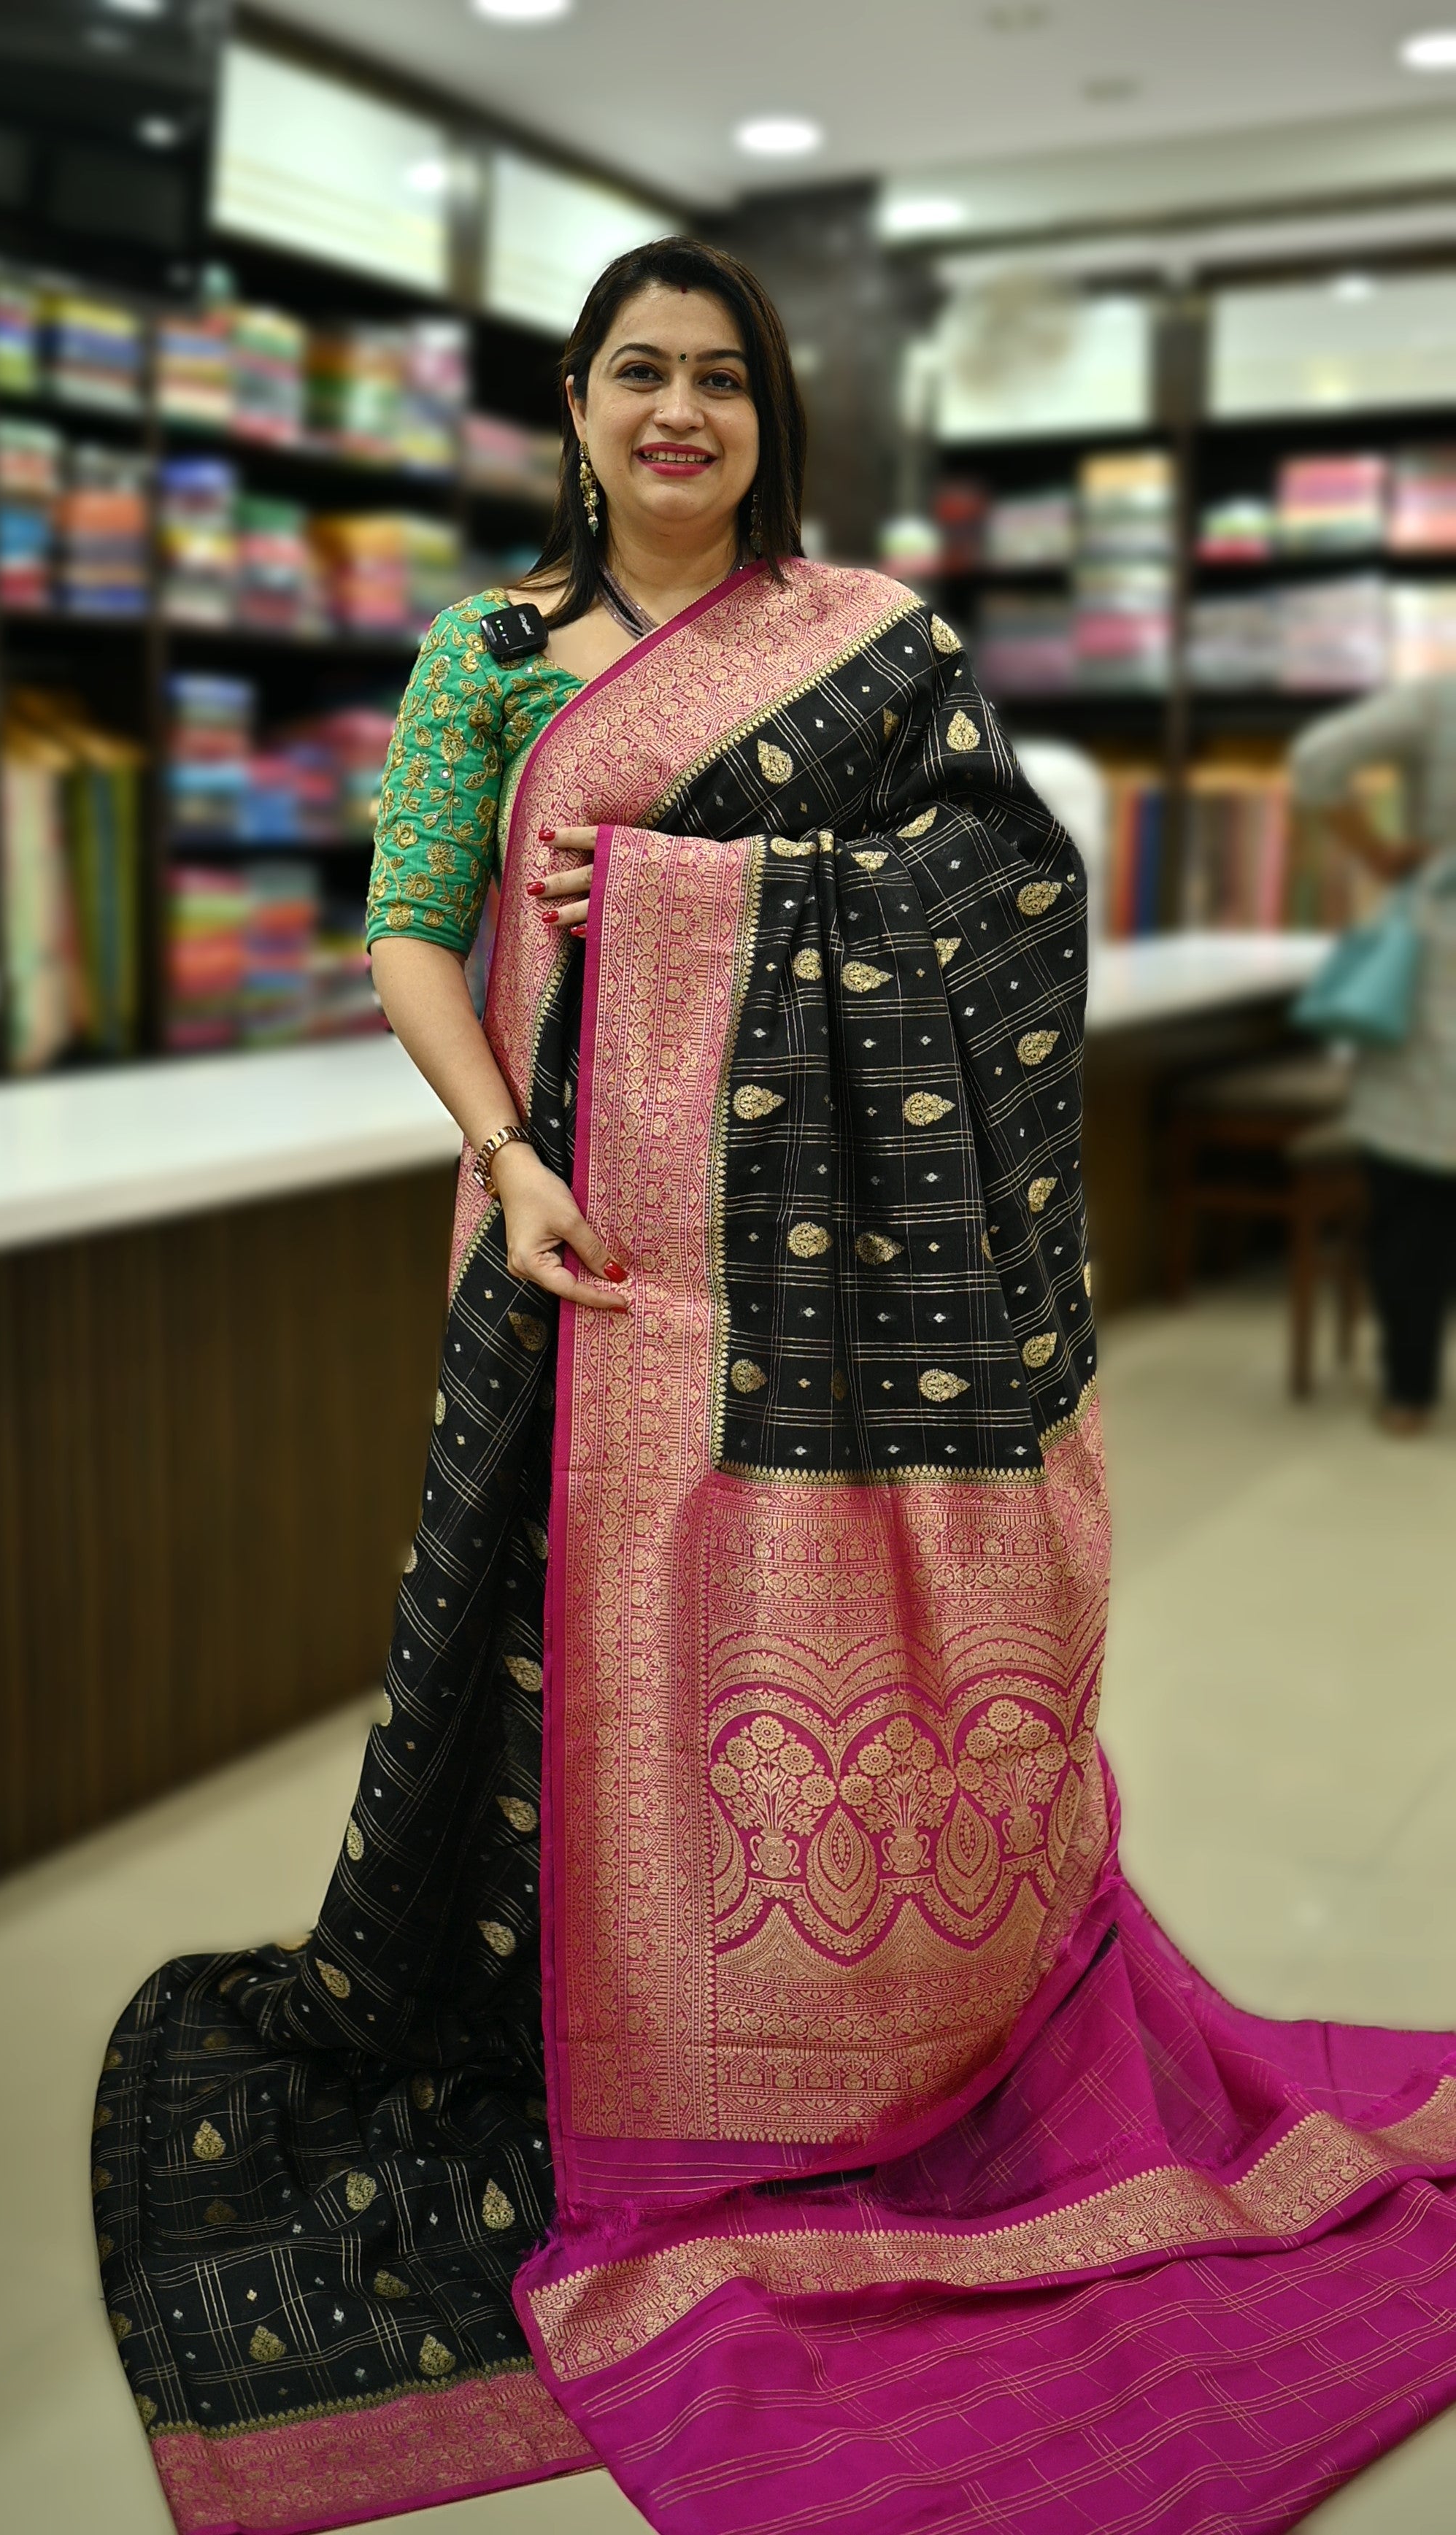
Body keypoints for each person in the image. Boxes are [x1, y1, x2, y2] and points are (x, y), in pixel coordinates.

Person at [96, 240, 1456, 2535]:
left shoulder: (870, 642)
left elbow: (1006, 902)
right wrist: (506, 1151)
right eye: (638, 371)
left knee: (787, 1677)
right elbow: (409, 929)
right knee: (559, 1667)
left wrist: (682, 895)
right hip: (572, 1250)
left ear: (767, 418)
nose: (679, 412)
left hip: (841, 1312)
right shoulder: (483, 657)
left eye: (720, 378)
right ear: (574, 401)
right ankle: (591, 2060)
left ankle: (861, 2063)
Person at [1291, 683, 1456, 1433]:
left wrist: (1380, 854)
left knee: (1412, 1190)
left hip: (1438, 949)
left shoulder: (1442, 701)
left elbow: (1317, 758)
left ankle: (1406, 1391)